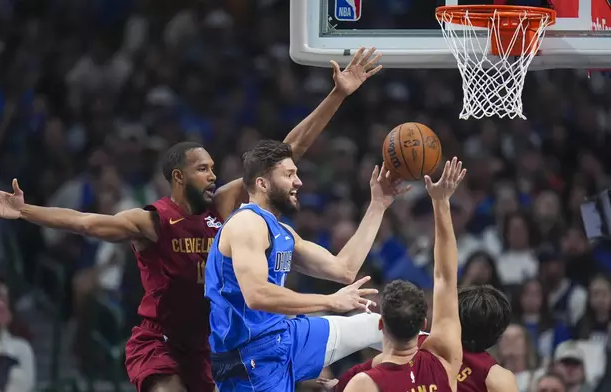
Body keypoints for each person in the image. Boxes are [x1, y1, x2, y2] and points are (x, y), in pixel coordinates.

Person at [0, 47, 383, 392]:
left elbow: (285, 152)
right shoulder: (151, 221)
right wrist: (25, 210)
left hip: (214, 343)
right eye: (203, 169)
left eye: (212, 168)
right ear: (178, 177)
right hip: (162, 341)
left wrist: (337, 95)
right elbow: (85, 222)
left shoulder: (223, 208)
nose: (213, 175)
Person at [204, 139, 411, 392]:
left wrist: (378, 204)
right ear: (262, 183)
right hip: (249, 360)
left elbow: (344, 269)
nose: (298, 182)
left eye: (297, 174)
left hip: (284, 336)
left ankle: (454, 368)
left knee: (378, 327)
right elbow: (256, 295)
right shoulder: (246, 224)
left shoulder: (281, 231)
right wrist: (330, 302)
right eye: (289, 174)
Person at [342, 158, 466, 392]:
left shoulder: (363, 384)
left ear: (380, 324)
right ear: (423, 324)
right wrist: (441, 202)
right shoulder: (445, 358)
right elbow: (446, 280)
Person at [325, 285, 517, 392]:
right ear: (498, 331)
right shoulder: (499, 378)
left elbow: (374, 364)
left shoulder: (424, 345)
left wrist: (338, 385)